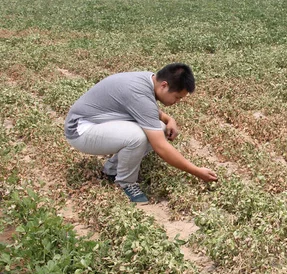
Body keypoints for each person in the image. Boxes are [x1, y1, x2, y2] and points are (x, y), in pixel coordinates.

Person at [64, 63, 217, 204]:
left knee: (159, 127)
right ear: (164, 85)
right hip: (80, 130)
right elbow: (161, 147)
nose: (177, 101)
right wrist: (196, 171)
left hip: (98, 122)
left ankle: (112, 170)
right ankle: (126, 183)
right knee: (137, 137)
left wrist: (168, 119)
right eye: (177, 97)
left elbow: (146, 109)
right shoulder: (139, 93)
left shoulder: (149, 79)